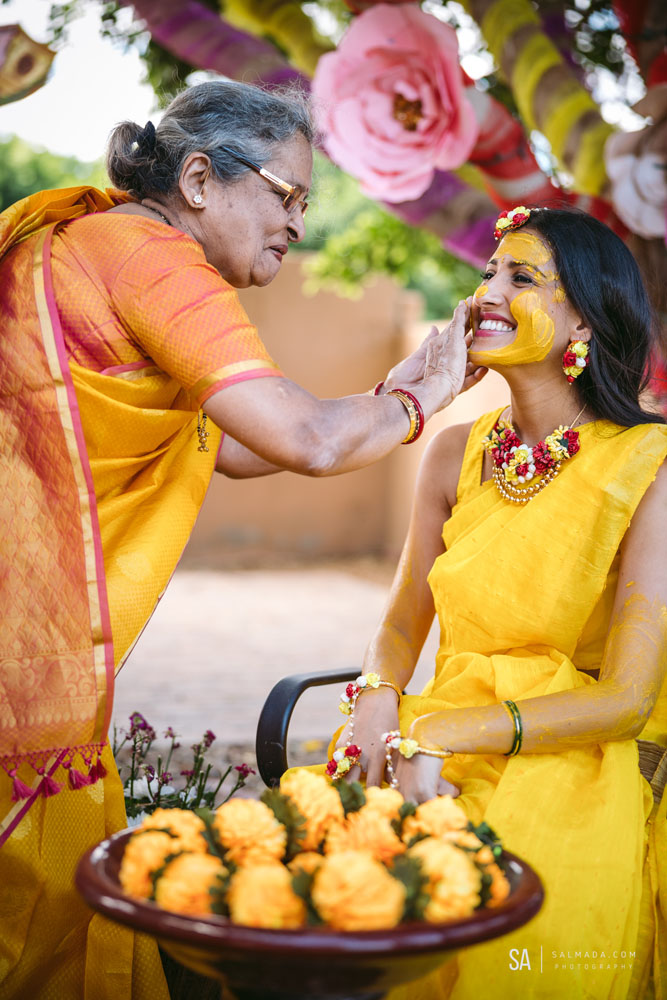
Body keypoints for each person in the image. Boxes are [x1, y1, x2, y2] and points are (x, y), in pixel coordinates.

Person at [0, 80, 482, 999]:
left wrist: (390, 396)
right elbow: (301, 438)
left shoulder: (96, 243)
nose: (298, 225)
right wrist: (424, 398)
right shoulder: (155, 260)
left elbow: (229, 445)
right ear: (196, 177)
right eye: (285, 195)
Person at [330, 207, 667, 999]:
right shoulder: (453, 451)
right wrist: (378, 700)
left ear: (582, 313)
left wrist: (439, 734)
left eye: (521, 278)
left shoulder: (648, 463)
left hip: (573, 763)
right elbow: (402, 621)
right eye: (488, 272)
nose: (486, 291)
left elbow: (627, 698)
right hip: (428, 743)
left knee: (515, 938)